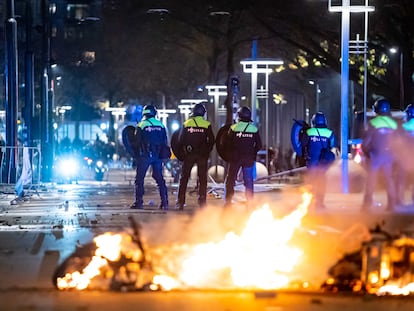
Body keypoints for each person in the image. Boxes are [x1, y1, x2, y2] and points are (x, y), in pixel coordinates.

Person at [175, 103, 215, 210]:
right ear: (203, 113)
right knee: (202, 179)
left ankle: (180, 202)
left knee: (184, 178)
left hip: (189, 155)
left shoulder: (187, 123)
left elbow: (180, 140)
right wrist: (206, 150)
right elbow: (212, 140)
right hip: (202, 156)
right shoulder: (206, 124)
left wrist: (184, 151)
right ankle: (202, 201)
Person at [130, 104, 170, 210]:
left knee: (139, 179)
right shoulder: (161, 125)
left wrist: (133, 151)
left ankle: (139, 202)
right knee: (159, 178)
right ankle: (164, 202)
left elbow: (137, 142)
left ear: (144, 114)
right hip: (157, 155)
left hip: (145, 155)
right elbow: (165, 141)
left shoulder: (141, 125)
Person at [361, 98, 398, 212]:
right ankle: (391, 205)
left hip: (375, 155)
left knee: (371, 179)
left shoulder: (373, 123)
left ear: (376, 109)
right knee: (389, 179)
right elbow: (398, 142)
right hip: (389, 156)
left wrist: (367, 153)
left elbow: (366, 141)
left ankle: (367, 205)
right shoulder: (393, 124)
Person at [223, 106, 262, 207]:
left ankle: (228, 201)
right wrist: (252, 153)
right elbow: (259, 145)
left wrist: (229, 154)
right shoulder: (254, 129)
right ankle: (250, 202)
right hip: (248, 159)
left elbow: (226, 143)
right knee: (248, 180)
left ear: (239, 116)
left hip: (235, 158)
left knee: (230, 179)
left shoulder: (233, 128)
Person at [301, 111, 337, 209]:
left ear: (313, 121)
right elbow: (333, 147)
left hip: (312, 162)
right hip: (324, 163)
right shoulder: (330, 133)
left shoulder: (309, 132)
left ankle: (310, 202)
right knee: (322, 182)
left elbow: (302, 145)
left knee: (311, 182)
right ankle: (320, 202)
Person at [395, 103, 414, 206]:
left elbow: (397, 142)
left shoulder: (403, 127)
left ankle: (399, 199)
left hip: (404, 157)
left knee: (401, 178)